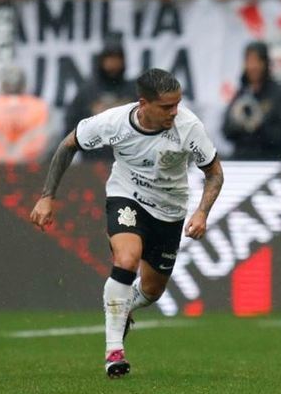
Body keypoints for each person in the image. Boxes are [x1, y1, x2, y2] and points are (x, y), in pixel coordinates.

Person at [30, 68, 224, 378]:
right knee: (126, 259)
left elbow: (214, 173)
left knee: (152, 289)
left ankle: (123, 307)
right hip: (127, 196)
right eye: (166, 106)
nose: (174, 112)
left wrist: (202, 212)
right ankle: (114, 352)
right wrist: (46, 196)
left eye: (177, 104)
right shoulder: (114, 122)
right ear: (143, 104)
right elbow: (69, 144)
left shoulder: (189, 127)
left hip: (170, 210)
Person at [64, 37, 135, 161]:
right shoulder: (87, 92)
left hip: (128, 160)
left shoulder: (133, 91)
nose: (113, 63)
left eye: (117, 58)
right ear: (101, 60)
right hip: (92, 162)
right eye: (109, 58)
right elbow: (70, 126)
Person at [222, 41, 281, 160]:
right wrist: (240, 124)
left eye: (257, 61)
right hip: (242, 160)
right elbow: (226, 131)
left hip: (270, 160)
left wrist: (260, 125)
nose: (253, 67)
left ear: (265, 63)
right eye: (249, 61)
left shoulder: (280, 93)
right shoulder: (241, 94)